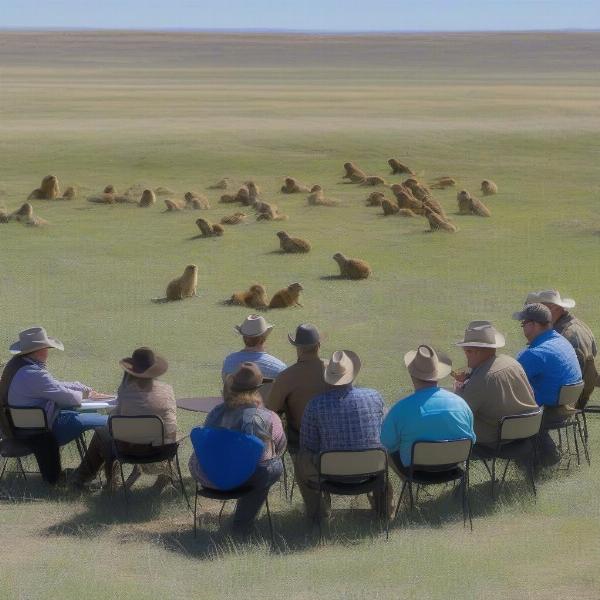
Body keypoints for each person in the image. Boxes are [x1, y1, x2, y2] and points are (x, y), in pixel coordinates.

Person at [189, 362, 286, 537]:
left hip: (210, 477)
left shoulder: (215, 412)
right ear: (258, 389)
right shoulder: (267, 417)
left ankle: (241, 521)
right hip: (245, 481)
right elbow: (280, 446)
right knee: (271, 466)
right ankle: (242, 524)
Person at [2, 327, 108, 482]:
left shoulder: (17, 366)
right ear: (39, 350)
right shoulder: (34, 373)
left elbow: (53, 386)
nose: (47, 352)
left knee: (90, 416)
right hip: (38, 431)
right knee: (104, 422)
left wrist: (83, 389)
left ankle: (84, 472)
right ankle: (85, 474)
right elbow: (64, 396)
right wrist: (85, 395)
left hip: (18, 428)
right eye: (46, 348)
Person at [297, 350, 390, 520]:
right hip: (372, 470)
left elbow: (307, 445)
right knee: (383, 452)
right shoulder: (374, 397)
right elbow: (385, 435)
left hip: (330, 473)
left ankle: (317, 514)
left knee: (301, 458)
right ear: (352, 374)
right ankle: (384, 509)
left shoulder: (315, 404)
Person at [71, 347, 177, 490]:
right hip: (162, 449)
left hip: (129, 450)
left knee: (101, 433)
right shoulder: (167, 390)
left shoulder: (126, 391)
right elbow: (171, 423)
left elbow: (113, 423)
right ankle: (165, 477)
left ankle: (82, 477)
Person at [380, 344, 475, 475]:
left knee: (389, 453)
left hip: (415, 471)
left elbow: (387, 443)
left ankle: (406, 488)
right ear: (438, 374)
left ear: (412, 374)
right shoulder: (461, 404)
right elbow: (471, 440)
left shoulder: (400, 409)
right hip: (453, 467)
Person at [513, 303, 582, 463]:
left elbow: (507, 379)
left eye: (524, 323)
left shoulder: (536, 354)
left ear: (535, 325)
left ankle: (543, 456)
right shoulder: (562, 341)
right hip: (566, 406)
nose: (522, 327)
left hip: (547, 412)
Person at [453, 321, 537, 449]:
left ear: (477, 351)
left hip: (497, 439)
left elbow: (460, 413)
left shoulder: (482, 379)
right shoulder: (512, 363)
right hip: (528, 432)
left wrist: (459, 389)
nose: (466, 356)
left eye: (467, 351)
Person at [526, 289, 597, 409]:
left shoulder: (564, 336)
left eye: (538, 309)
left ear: (553, 308)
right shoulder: (579, 326)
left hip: (563, 404)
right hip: (575, 396)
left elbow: (567, 378)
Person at [221, 315, 287, 381]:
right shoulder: (280, 368)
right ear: (264, 337)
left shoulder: (228, 362)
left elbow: (226, 387)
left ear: (244, 337)